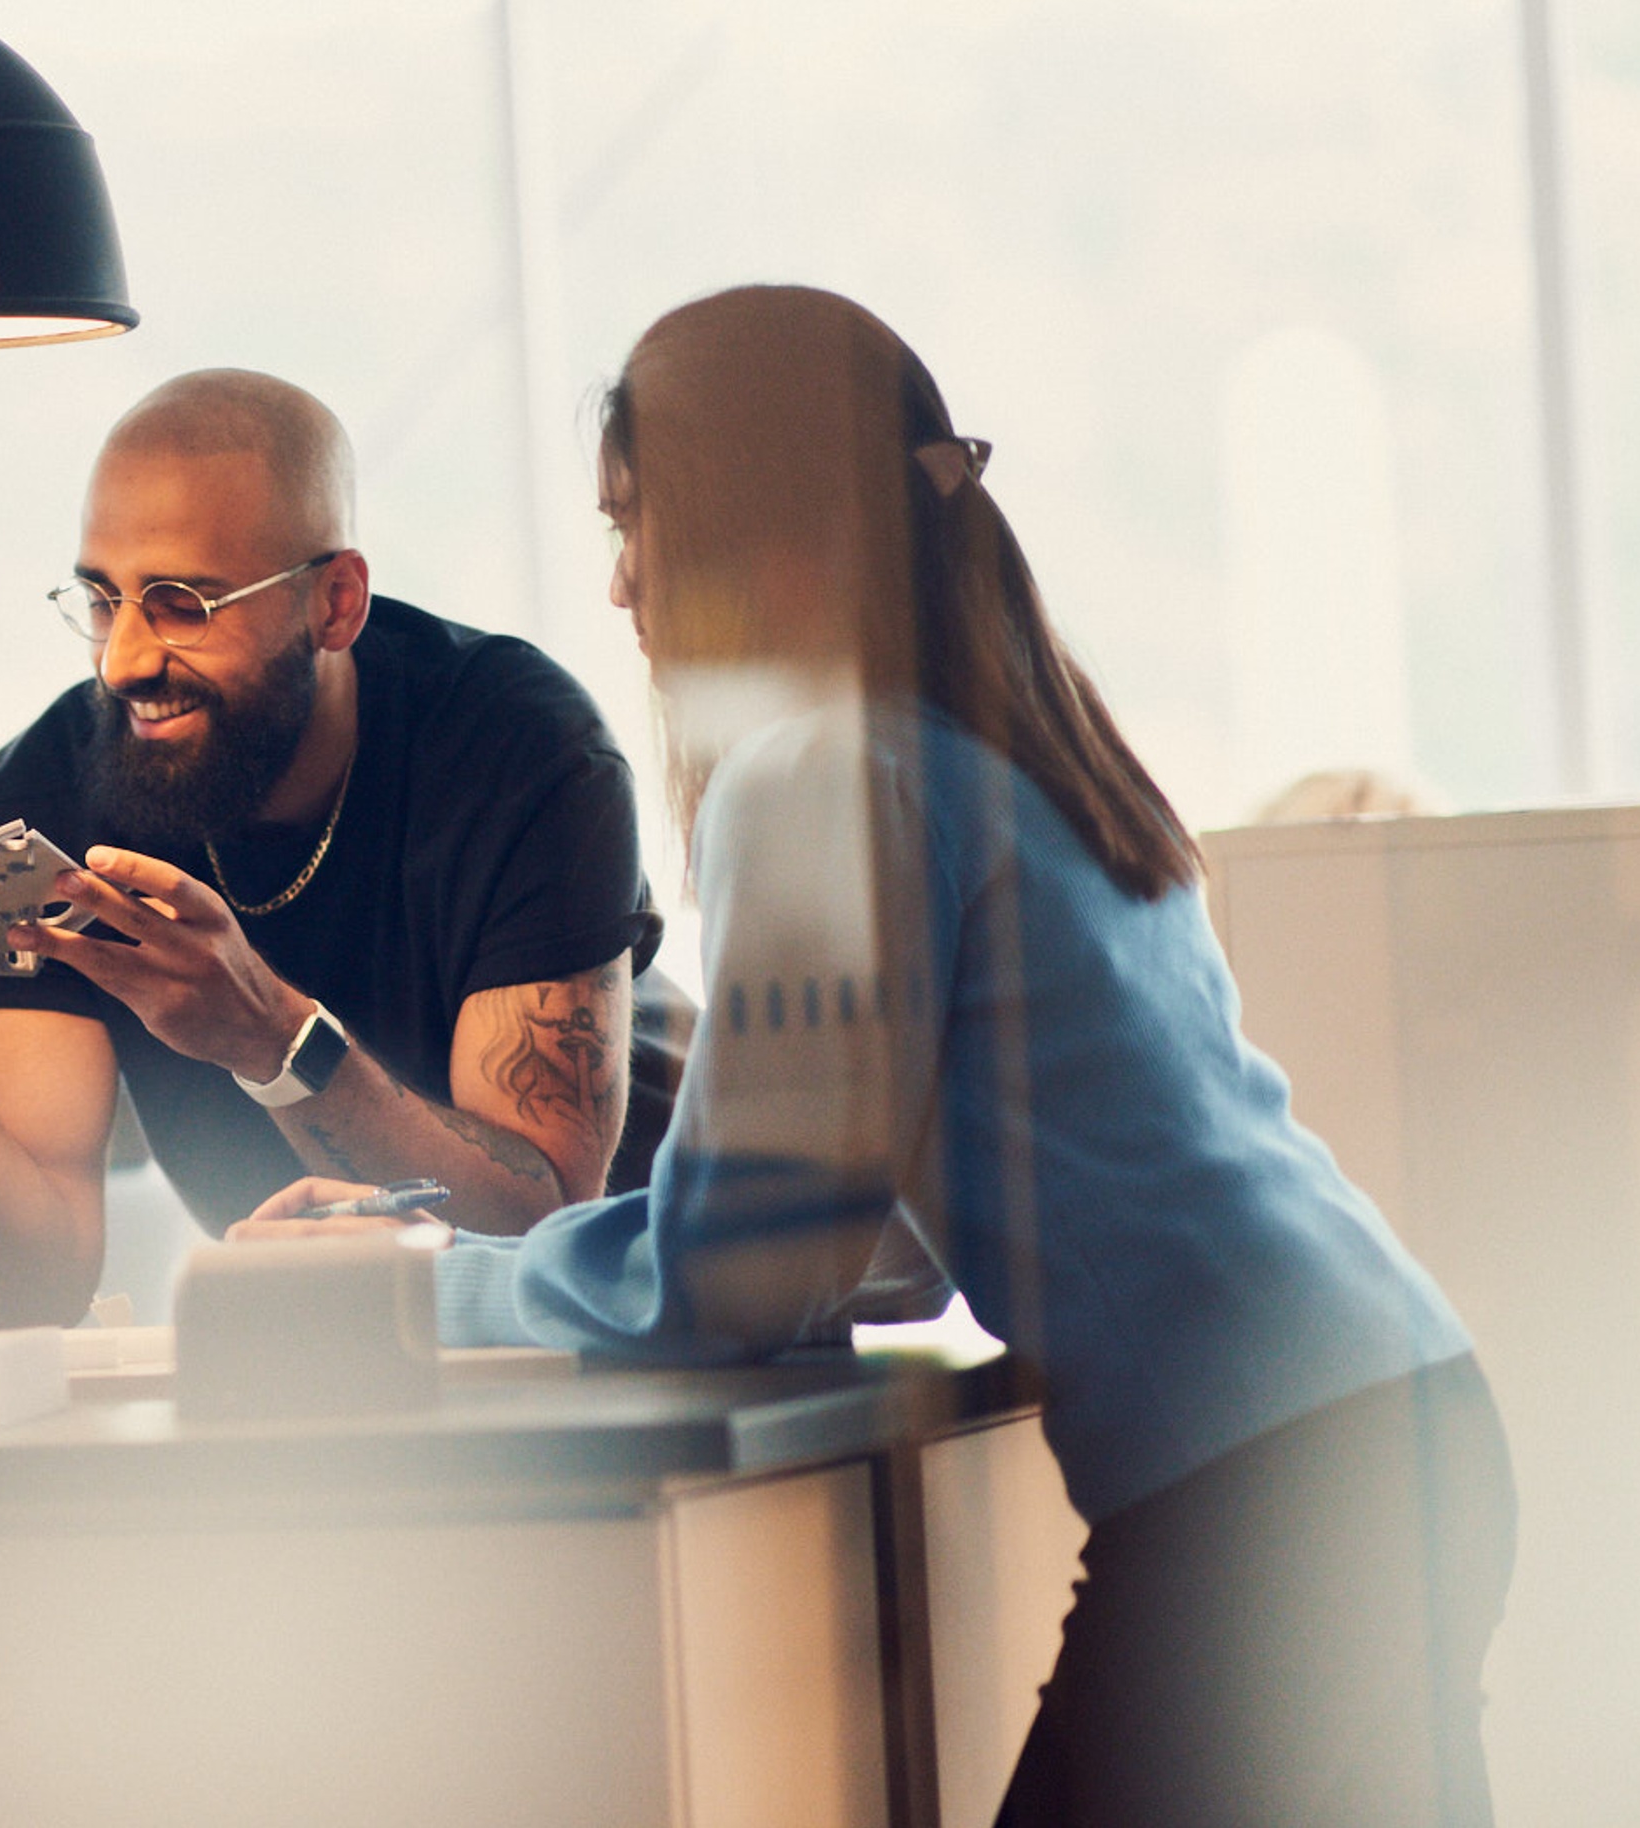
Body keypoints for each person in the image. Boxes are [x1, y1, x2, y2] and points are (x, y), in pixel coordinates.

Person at [251, 287, 1514, 1827]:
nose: (622, 584)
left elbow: (747, 1264)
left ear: (750, 526)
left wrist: (415, 1279)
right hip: (1403, 1408)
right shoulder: (1012, 741)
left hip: (1279, 1493)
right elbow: (881, 1244)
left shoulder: (817, 770)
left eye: (638, 523)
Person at [0, 369, 672, 1328]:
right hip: (313, 1349)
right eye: (102, 600)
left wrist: (270, 1037)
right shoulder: (38, 803)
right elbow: (30, 1291)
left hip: (628, 1319)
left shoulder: (517, 748)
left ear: (336, 603)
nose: (124, 661)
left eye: (182, 605)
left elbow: (536, 1227)